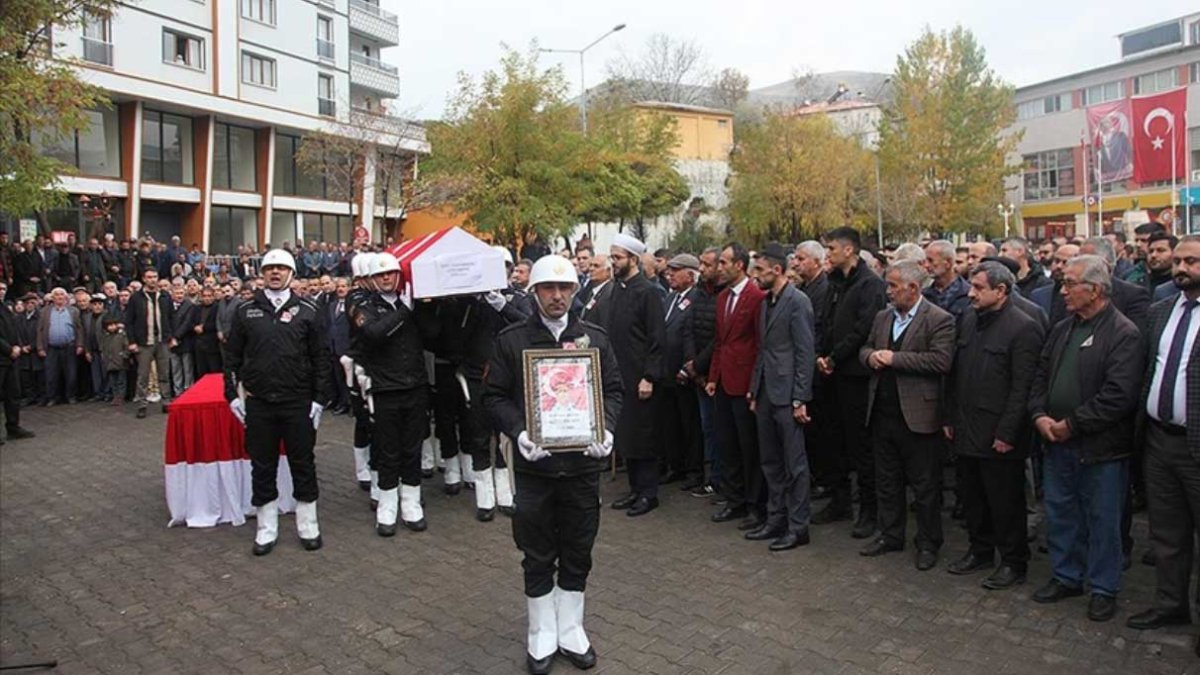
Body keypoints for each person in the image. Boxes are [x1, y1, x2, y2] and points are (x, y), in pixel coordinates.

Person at [481, 255, 622, 674]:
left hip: (581, 468)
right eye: (548, 289)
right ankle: (541, 632)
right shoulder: (511, 340)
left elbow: (613, 390)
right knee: (537, 549)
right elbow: (493, 397)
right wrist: (520, 432)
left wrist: (607, 431)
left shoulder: (594, 339)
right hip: (534, 469)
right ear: (535, 292)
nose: (557, 296)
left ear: (574, 292)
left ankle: (571, 627)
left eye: (564, 289)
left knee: (579, 547)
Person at [1029, 255, 1144, 622]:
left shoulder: (1124, 333)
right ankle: (1067, 576)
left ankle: (1103, 587)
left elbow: (1118, 397)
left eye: (1069, 284)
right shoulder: (1064, 327)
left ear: (1093, 290)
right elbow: (1040, 376)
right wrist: (1040, 416)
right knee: (1061, 512)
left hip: (1100, 449)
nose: (1062, 291)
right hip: (1057, 442)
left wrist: (1071, 425)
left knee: (1103, 519)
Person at [225, 249, 332, 556]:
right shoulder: (246, 311)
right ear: (262, 273)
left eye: (281, 268)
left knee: (303, 462)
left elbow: (321, 359)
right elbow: (231, 358)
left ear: (291, 274)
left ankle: (308, 524)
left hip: (297, 403)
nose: (275, 273)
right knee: (262, 465)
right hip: (260, 404)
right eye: (270, 268)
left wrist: (319, 400)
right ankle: (266, 528)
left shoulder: (309, 310)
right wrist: (232, 395)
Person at [945, 262, 1043, 590]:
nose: (970, 293)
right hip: (967, 427)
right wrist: (949, 417)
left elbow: (1022, 388)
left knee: (1005, 503)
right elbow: (956, 374)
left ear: (1000, 291)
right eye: (970, 286)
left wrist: (1007, 433)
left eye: (978, 288)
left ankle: (1014, 562)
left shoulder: (1023, 327)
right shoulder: (970, 319)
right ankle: (980, 550)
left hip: (999, 434)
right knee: (973, 498)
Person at [858, 261, 955, 570]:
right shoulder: (883, 317)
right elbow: (866, 348)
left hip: (918, 416)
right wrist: (870, 356)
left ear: (913, 288)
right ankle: (890, 534)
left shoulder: (939, 319)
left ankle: (928, 542)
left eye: (893, 286)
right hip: (883, 414)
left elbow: (941, 361)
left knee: (924, 485)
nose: (888, 292)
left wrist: (895, 359)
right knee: (887, 480)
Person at [1126, 235, 1200, 631]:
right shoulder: (1160, 311)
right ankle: (1171, 603)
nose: (1182, 269)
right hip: (1158, 440)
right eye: (1179, 261)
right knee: (1166, 533)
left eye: (1193, 262)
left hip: (1196, 443)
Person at [813, 227, 888, 538]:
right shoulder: (833, 283)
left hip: (854, 375)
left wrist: (834, 357)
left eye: (831, 248)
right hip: (829, 373)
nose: (827, 254)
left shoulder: (870, 285)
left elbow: (863, 329)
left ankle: (870, 511)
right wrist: (821, 354)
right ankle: (839, 499)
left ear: (848, 250)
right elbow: (823, 321)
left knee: (861, 446)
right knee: (832, 440)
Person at [352, 253, 433, 536]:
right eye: (380, 275)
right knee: (387, 449)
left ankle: (411, 503)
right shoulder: (364, 305)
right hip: (385, 389)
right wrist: (405, 312)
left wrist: (424, 306)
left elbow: (433, 335)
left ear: (399, 276)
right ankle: (387, 506)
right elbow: (373, 333)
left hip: (415, 387)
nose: (386, 278)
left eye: (391, 274)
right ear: (372, 279)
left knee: (412, 447)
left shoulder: (410, 304)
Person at [746, 243, 816, 551]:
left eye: (760, 270)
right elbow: (764, 350)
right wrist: (754, 389)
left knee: (795, 464)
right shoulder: (765, 303)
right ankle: (776, 518)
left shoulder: (797, 301)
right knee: (770, 461)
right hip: (765, 393)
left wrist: (801, 397)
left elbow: (805, 351)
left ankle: (798, 526)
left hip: (788, 396)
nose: (754, 275)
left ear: (777, 270)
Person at [707, 242, 767, 530]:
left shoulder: (756, 297)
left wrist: (755, 386)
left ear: (739, 265)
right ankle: (735, 500)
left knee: (749, 448)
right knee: (727, 444)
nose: (720, 267)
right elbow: (721, 342)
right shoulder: (721, 299)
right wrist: (712, 378)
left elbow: (759, 344)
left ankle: (755, 505)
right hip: (723, 384)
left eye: (724, 262)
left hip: (745, 384)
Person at [607, 233, 667, 517]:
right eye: (612, 257)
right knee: (627, 435)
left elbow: (657, 338)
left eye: (618, 257)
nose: (613, 262)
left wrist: (650, 376)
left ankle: (648, 493)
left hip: (641, 377)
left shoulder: (648, 292)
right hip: (621, 375)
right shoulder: (617, 289)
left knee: (644, 436)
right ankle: (634, 489)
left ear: (633, 259)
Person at [659, 254, 702, 486]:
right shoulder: (669, 298)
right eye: (669, 270)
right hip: (666, 372)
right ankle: (676, 465)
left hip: (685, 372)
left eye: (676, 271)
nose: (670, 275)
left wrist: (688, 367)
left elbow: (693, 335)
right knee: (671, 423)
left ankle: (694, 469)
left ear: (690, 274)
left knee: (690, 423)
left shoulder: (696, 298)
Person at [125, 269, 175, 418]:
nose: (152, 280)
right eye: (149, 277)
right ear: (143, 279)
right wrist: (132, 342)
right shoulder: (136, 298)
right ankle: (142, 404)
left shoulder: (165, 296)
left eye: (154, 277)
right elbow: (129, 322)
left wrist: (171, 336)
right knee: (143, 376)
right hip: (143, 342)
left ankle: (166, 402)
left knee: (164, 373)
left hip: (162, 341)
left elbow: (171, 318)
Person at [36, 287, 84, 406]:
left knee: (71, 374)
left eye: (61, 294)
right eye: (56, 295)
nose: (59, 297)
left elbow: (79, 329)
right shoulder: (44, 311)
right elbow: (40, 330)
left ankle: (71, 396)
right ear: (52, 298)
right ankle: (52, 397)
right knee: (51, 375)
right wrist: (40, 347)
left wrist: (80, 344)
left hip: (69, 347)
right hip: (51, 348)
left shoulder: (74, 311)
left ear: (66, 297)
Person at [0, 283, 34, 441]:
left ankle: (13, 427)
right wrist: (9, 349)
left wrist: (18, 347)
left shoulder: (6, 309)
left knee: (13, 394)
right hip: (3, 357)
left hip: (11, 359)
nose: (1, 292)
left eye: (3, 289)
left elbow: (14, 331)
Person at [168, 284, 196, 396]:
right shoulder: (168, 306)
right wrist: (170, 338)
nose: (179, 296)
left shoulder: (190, 305)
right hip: (171, 342)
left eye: (181, 293)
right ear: (172, 295)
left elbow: (187, 323)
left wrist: (176, 337)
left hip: (185, 341)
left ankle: (188, 391)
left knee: (187, 368)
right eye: (177, 293)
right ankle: (177, 391)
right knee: (176, 369)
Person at [99, 316, 129, 407]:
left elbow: (126, 347)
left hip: (120, 362)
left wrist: (124, 355)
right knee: (113, 381)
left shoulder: (121, 335)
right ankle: (115, 396)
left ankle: (121, 397)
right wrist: (104, 357)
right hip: (109, 362)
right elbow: (103, 348)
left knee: (121, 380)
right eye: (109, 325)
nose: (112, 327)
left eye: (113, 325)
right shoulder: (105, 337)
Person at [192, 286, 221, 376]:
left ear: (213, 296)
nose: (207, 298)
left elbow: (218, 323)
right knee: (201, 372)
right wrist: (195, 327)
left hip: (213, 345)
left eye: (209, 296)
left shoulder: (218, 307)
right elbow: (191, 321)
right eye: (205, 296)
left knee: (214, 371)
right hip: (199, 345)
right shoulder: (197, 308)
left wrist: (204, 328)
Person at [579, 255, 614, 328]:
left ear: (608, 271)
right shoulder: (592, 291)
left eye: (596, 266)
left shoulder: (609, 293)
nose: (591, 269)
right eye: (591, 265)